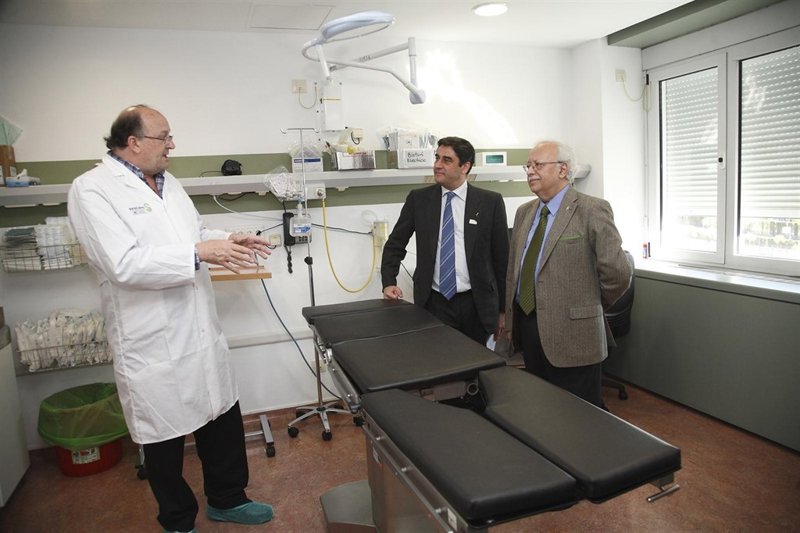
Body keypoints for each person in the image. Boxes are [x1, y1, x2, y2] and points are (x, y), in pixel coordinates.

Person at [68, 105, 274, 533]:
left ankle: (228, 499)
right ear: (133, 142)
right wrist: (198, 253)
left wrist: (229, 239)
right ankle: (178, 519)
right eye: (164, 137)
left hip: (198, 325)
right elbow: (122, 264)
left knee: (220, 413)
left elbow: (195, 234)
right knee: (163, 434)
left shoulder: (169, 182)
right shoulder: (92, 190)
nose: (172, 145)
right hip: (149, 337)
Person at [503, 140, 631, 407]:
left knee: (579, 416)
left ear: (563, 170)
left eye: (538, 165)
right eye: (528, 165)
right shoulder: (524, 213)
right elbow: (514, 269)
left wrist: (589, 304)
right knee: (541, 409)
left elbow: (617, 273)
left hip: (574, 332)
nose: (530, 171)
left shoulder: (592, 209)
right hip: (529, 327)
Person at [381, 136, 509, 345]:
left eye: (447, 160)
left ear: (465, 166)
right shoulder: (419, 200)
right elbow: (395, 244)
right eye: (437, 158)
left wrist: (503, 310)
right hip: (434, 302)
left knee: (476, 362)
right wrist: (388, 282)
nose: (438, 165)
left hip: (476, 304)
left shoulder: (490, 202)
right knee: (437, 360)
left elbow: (502, 259)